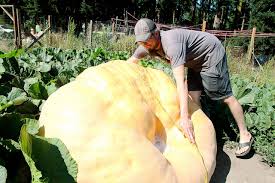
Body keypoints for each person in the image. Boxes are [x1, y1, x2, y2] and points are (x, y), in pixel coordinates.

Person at [127, 18, 253, 157]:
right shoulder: (146, 46)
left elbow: (181, 82)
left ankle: (245, 134)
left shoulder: (172, 45)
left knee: (224, 97)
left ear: (156, 34)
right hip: (193, 60)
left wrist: (184, 118)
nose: (144, 44)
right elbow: (129, 64)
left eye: (146, 40)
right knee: (194, 97)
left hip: (210, 54)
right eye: (141, 41)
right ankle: (205, 131)